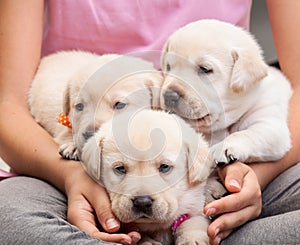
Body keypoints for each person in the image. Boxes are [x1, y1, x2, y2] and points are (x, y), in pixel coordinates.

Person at [0, 1, 299, 244]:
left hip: (229, 158)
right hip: (71, 161)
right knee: (9, 218)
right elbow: (7, 105)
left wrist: (250, 179)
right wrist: (72, 176)